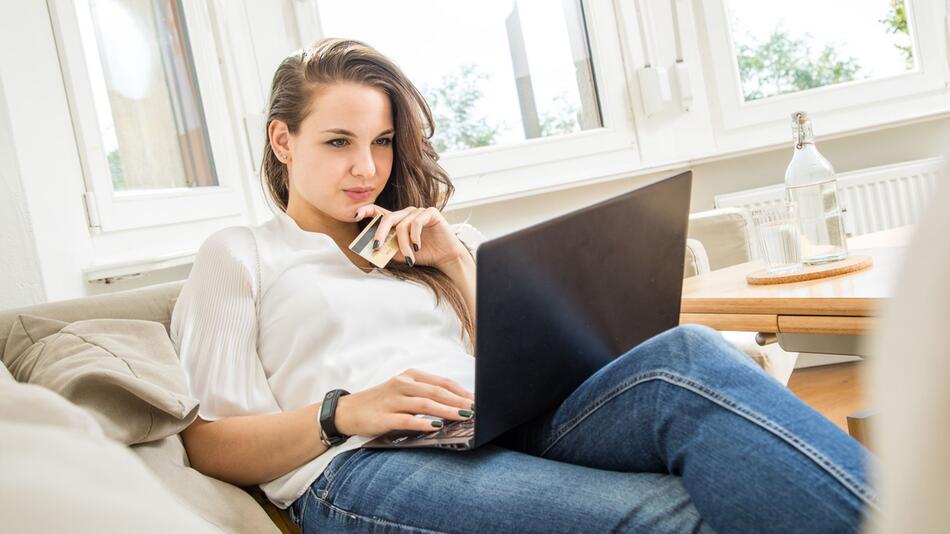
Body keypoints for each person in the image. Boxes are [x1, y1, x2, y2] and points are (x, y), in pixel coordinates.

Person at [171, 38, 874, 533]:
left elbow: (516, 364)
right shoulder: (240, 256)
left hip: (499, 424)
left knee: (685, 355)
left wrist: (454, 263)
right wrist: (344, 412)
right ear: (282, 140)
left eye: (381, 142)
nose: (367, 167)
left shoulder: (420, 244)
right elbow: (208, 445)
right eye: (338, 142)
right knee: (682, 511)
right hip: (362, 466)